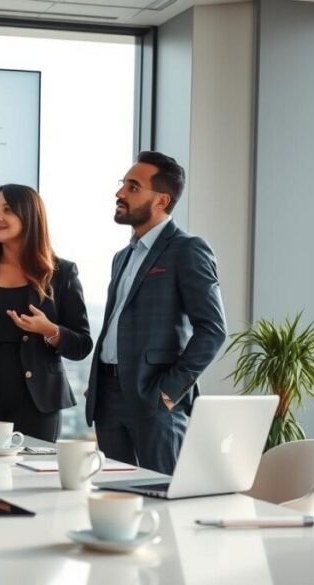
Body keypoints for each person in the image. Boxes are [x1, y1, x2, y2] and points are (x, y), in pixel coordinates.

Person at [86, 151, 226, 475]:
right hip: (108, 398)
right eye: (123, 184)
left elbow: (213, 329)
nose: (120, 193)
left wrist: (169, 392)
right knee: (117, 494)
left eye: (133, 187)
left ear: (162, 200)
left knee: (163, 497)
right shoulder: (122, 257)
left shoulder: (188, 250)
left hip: (154, 399)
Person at [0, 185, 92, 442]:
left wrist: (50, 330)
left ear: (30, 216)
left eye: (8, 210)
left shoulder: (61, 273)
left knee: (30, 476)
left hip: (37, 403)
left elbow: (82, 345)